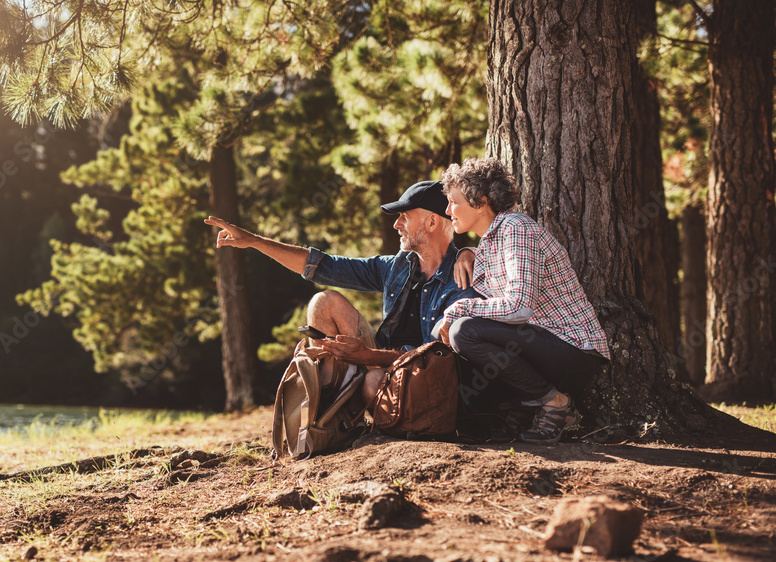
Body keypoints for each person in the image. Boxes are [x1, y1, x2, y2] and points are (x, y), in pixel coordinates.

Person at [205, 180, 477, 401]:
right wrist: (254, 242)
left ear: (432, 223)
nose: (396, 225)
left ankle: (351, 414)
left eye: (405, 217)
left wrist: (370, 357)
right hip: (380, 361)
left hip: (424, 375)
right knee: (323, 302)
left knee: (373, 381)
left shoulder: (462, 276)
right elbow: (322, 266)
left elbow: (438, 357)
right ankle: (323, 406)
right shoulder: (398, 266)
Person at [437, 157, 610, 444]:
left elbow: (519, 306)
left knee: (463, 329)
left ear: (480, 202)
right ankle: (510, 410)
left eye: (453, 202)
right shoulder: (491, 241)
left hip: (574, 351)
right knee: (445, 334)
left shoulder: (515, 228)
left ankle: (556, 404)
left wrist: (458, 308)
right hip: (542, 348)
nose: (447, 210)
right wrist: (466, 252)